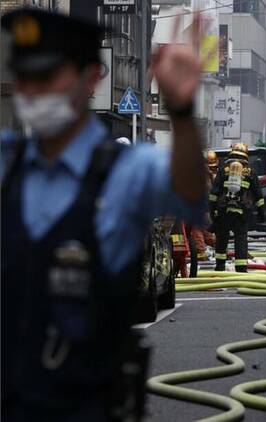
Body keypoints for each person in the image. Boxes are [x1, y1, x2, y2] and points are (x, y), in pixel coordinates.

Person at [1, 8, 206, 421]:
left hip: (87, 406)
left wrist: (181, 112)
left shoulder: (127, 170)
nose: (33, 92)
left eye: (48, 77)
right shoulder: (8, 164)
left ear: (90, 78)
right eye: (24, 79)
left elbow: (189, 196)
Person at [211, 143, 266, 272]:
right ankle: (241, 267)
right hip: (242, 210)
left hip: (223, 210)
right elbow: (258, 195)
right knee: (240, 238)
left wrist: (212, 209)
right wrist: (261, 212)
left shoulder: (223, 170)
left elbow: (214, 193)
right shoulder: (250, 171)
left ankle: (220, 266)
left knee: (222, 237)